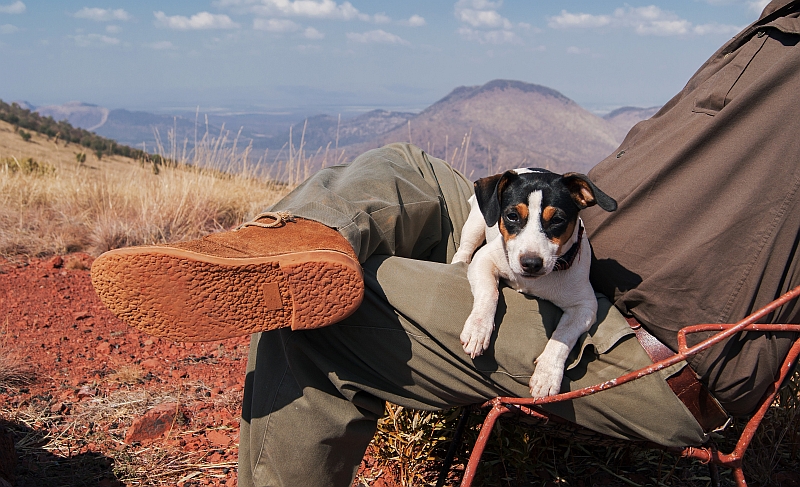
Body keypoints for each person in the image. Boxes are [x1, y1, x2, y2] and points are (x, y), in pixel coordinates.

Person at [90, 1, 800, 486]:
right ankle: (285, 241)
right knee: (406, 168)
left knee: (319, 321)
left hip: (644, 337)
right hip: (553, 242)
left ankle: (296, 280)